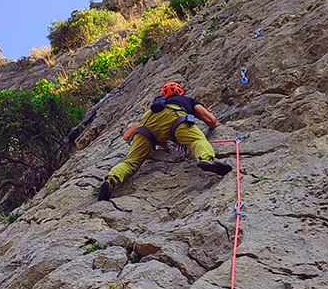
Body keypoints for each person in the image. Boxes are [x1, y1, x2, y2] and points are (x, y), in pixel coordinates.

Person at [98, 82, 232, 200]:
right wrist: (217, 125)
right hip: (175, 119)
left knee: (131, 162)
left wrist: (158, 141)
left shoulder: (154, 108)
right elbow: (210, 121)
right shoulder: (186, 100)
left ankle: (111, 181)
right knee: (197, 140)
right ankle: (206, 160)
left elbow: (127, 136)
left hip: (146, 125)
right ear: (180, 92)